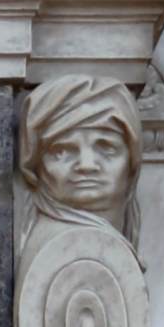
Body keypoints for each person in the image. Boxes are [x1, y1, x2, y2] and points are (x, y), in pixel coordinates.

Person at [18, 76, 143, 247]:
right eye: (61, 151)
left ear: (132, 162)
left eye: (106, 147)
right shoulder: (78, 255)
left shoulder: (105, 250)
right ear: (34, 168)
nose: (86, 165)